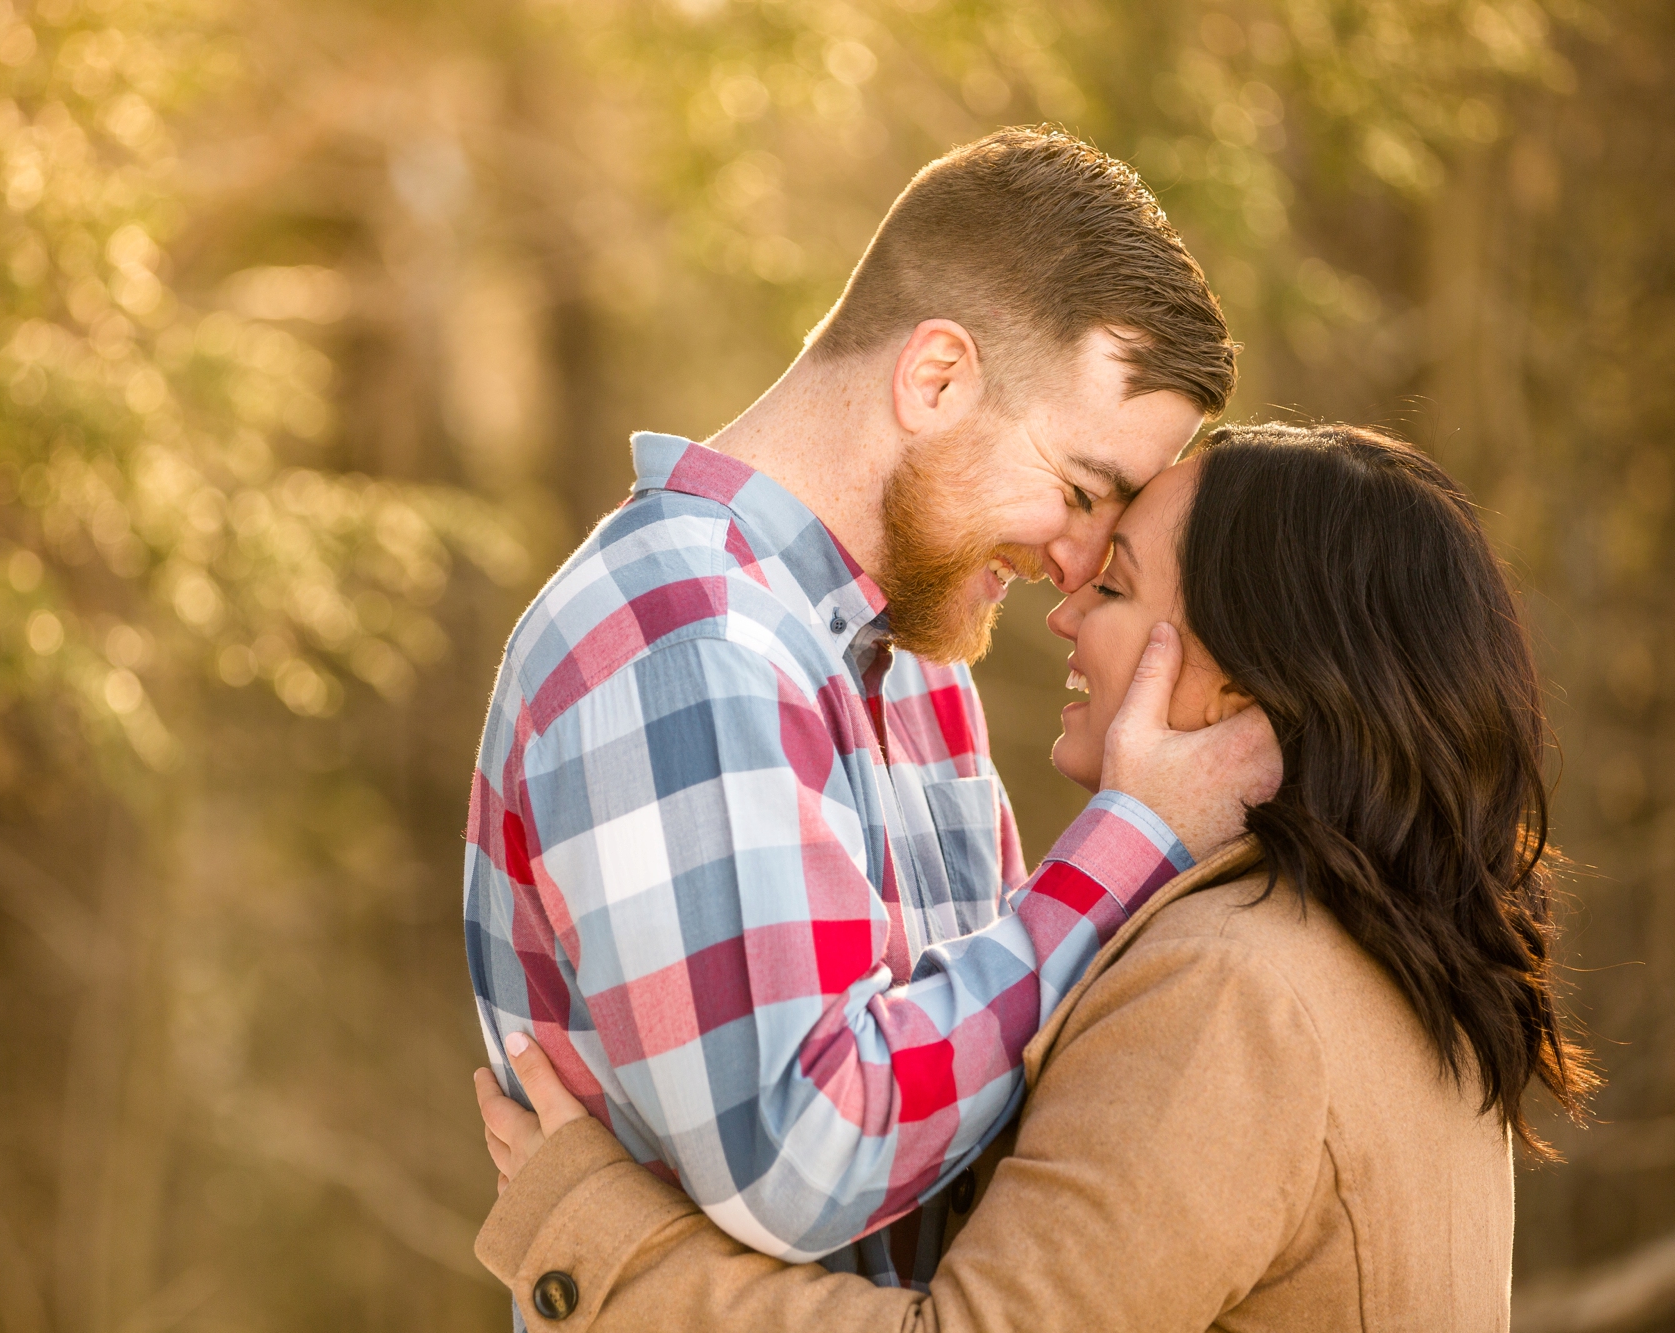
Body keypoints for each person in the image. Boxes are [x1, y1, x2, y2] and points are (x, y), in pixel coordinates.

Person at [473, 423, 1599, 1331]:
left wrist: (594, 1236)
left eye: (1112, 592)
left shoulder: (1227, 995)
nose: (1059, 612)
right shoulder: (1356, 952)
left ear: (1242, 684)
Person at [462, 126, 1281, 1297]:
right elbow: (812, 1153)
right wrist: (1132, 846)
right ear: (935, 375)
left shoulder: (912, 666)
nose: (1080, 558)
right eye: (1078, 489)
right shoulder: (686, 641)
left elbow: (985, 1096)